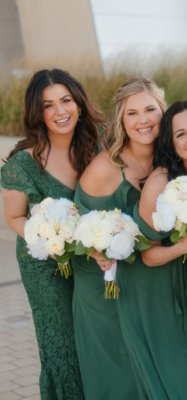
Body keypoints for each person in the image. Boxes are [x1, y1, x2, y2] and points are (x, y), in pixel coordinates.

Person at [1, 68, 102, 399]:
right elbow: (14, 217)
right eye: (48, 105)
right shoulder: (22, 164)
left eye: (65, 101)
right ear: (37, 112)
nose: (60, 112)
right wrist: (45, 238)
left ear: (79, 103)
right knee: (64, 346)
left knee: (99, 338)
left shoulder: (100, 144)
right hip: (46, 265)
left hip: (95, 258)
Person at [71, 77, 164, 399]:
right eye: (132, 113)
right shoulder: (106, 167)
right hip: (104, 287)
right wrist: (94, 248)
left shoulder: (170, 158)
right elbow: (80, 226)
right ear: (122, 121)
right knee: (118, 373)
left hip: (148, 283)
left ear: (163, 111)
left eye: (150, 109)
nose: (143, 120)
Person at [133, 100, 187, 398]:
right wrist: (184, 246)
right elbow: (147, 254)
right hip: (158, 293)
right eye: (181, 134)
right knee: (180, 383)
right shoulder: (160, 180)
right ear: (170, 142)